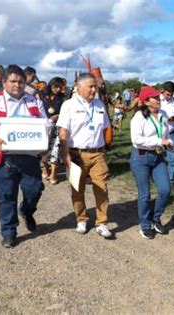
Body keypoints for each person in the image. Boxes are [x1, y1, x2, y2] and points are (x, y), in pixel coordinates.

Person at [0, 64, 47, 248]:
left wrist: (44, 144)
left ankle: (26, 210)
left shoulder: (34, 101)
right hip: (4, 157)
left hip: (29, 156)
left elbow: (44, 126)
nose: (17, 85)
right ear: (5, 82)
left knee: (35, 189)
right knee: (6, 196)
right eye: (13, 81)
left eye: (21, 81)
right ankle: (9, 231)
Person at [57, 73, 112, 239]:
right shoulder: (69, 105)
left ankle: (102, 222)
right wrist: (65, 153)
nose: (94, 90)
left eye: (95, 86)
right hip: (76, 154)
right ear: (78, 87)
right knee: (77, 189)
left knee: (102, 188)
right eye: (90, 86)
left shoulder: (100, 105)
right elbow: (63, 131)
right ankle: (81, 218)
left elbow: (106, 128)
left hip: (97, 154)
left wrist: (105, 145)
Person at [130, 86, 173, 239]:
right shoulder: (139, 117)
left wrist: (168, 143)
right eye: (155, 97)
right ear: (147, 102)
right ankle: (145, 225)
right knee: (145, 195)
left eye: (159, 96)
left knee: (165, 190)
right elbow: (136, 140)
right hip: (141, 157)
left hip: (158, 156)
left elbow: (165, 132)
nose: (159, 99)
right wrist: (159, 140)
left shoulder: (163, 114)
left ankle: (155, 218)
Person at [41, 77, 65, 185]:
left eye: (60, 87)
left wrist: (58, 116)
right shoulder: (41, 95)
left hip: (57, 125)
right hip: (43, 126)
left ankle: (53, 174)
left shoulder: (62, 98)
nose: (58, 89)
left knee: (56, 148)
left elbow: (65, 111)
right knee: (43, 149)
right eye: (56, 87)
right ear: (51, 85)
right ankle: (46, 168)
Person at [160, 81, 174, 186]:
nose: (169, 96)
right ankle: (156, 177)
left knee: (172, 158)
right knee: (157, 158)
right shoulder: (156, 100)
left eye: (171, 94)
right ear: (163, 91)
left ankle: (171, 181)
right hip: (158, 134)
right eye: (167, 94)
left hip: (172, 133)